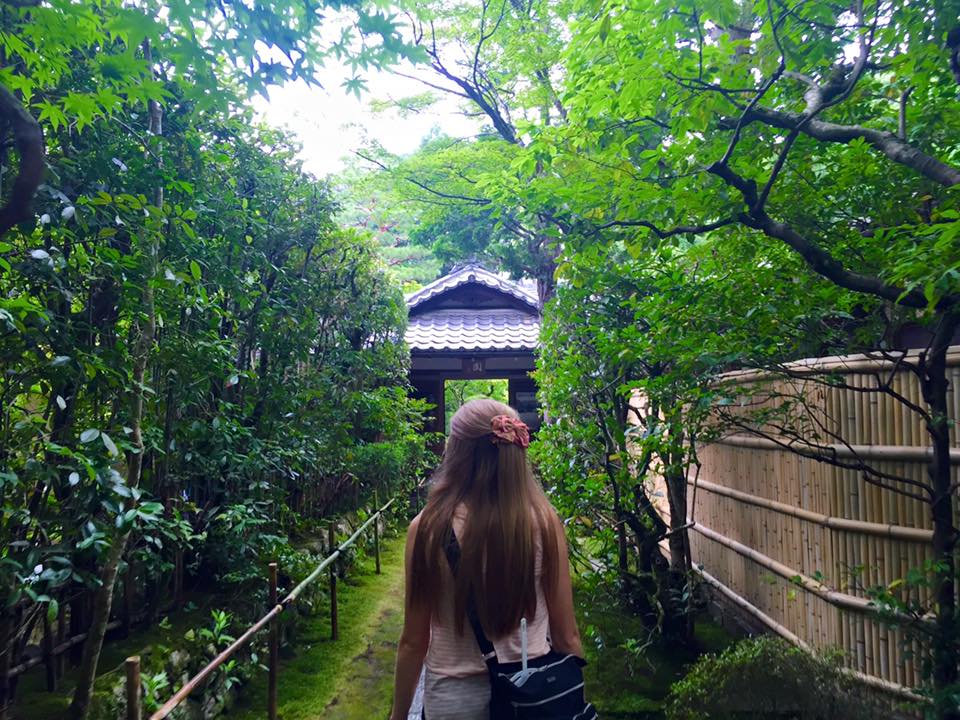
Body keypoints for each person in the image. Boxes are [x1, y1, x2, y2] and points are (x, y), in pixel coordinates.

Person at [390, 399, 584, 720]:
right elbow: (567, 636)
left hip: (454, 702)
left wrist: (398, 715)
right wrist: (574, 702)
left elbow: (414, 641)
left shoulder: (427, 527)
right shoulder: (544, 523)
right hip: (532, 698)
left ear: (457, 453)